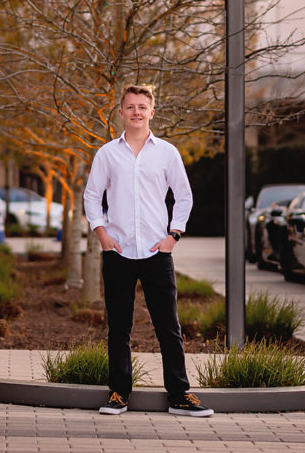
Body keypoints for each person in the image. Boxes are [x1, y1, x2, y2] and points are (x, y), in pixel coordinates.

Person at [84, 84, 213, 417]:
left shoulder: (167, 153)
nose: (136, 112)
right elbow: (91, 196)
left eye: (142, 107)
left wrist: (174, 235)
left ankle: (180, 394)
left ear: (152, 112)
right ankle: (118, 393)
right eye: (130, 107)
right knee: (119, 328)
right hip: (118, 252)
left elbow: (184, 196)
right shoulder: (107, 154)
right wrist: (101, 233)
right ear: (122, 112)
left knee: (169, 327)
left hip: (158, 253)